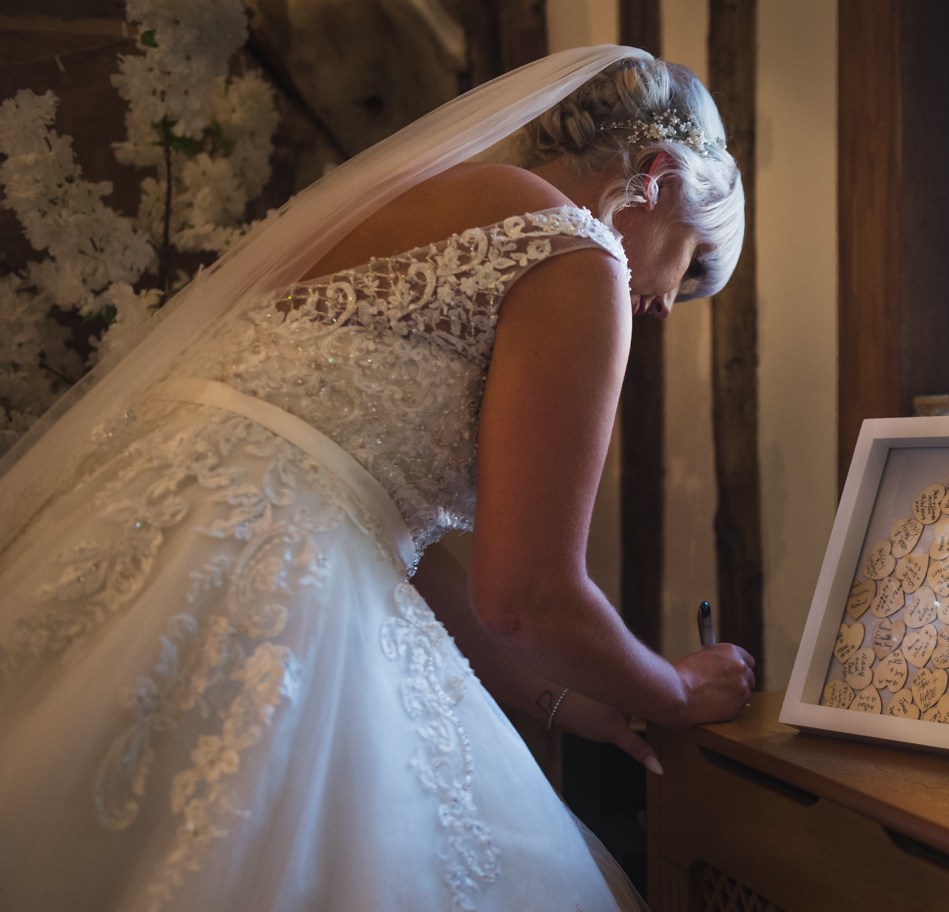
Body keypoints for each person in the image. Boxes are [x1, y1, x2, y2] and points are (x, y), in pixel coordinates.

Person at [0, 46, 754, 911]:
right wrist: (675, 690)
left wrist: (561, 699)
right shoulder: (581, 255)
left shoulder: (404, 200)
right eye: (692, 263)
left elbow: (372, 532)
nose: (663, 306)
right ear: (657, 178)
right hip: (272, 597)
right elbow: (527, 596)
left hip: (140, 529)